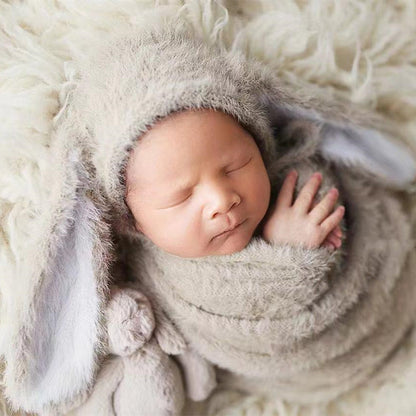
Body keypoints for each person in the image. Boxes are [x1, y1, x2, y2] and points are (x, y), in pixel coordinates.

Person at [124, 107, 345, 258]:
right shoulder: (140, 280)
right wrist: (280, 251)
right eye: (182, 197)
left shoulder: (298, 179)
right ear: (136, 222)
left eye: (235, 167)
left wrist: (293, 243)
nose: (222, 201)